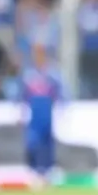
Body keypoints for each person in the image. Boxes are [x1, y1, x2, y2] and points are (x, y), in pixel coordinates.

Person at [22, 43, 65, 184]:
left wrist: (61, 108)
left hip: (47, 112)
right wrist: (20, 110)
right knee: (33, 143)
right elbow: (22, 95)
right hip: (34, 113)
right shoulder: (29, 75)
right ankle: (35, 171)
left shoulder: (52, 75)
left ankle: (48, 172)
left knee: (47, 144)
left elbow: (61, 94)